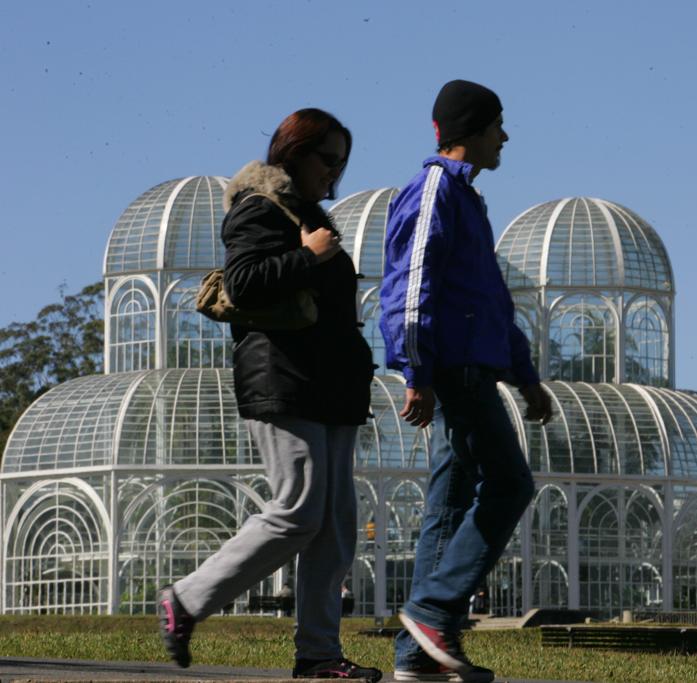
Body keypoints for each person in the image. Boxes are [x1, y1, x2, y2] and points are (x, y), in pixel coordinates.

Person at [156, 108, 382, 682]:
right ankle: (185, 599)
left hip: (329, 385)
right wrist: (310, 256)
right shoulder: (260, 207)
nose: (335, 174)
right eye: (328, 160)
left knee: (334, 524)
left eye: (342, 163)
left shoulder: (309, 214)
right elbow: (245, 282)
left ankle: (318, 655)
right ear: (294, 154)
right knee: (298, 511)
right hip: (283, 380)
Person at [379, 79, 552, 683]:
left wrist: (526, 376)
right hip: (454, 372)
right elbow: (407, 285)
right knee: (511, 483)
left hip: (469, 369)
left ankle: (416, 656)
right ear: (472, 130)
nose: (505, 136)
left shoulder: (469, 202)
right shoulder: (434, 191)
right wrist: (416, 371)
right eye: (498, 124)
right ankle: (432, 608)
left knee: (450, 503)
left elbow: (493, 303)